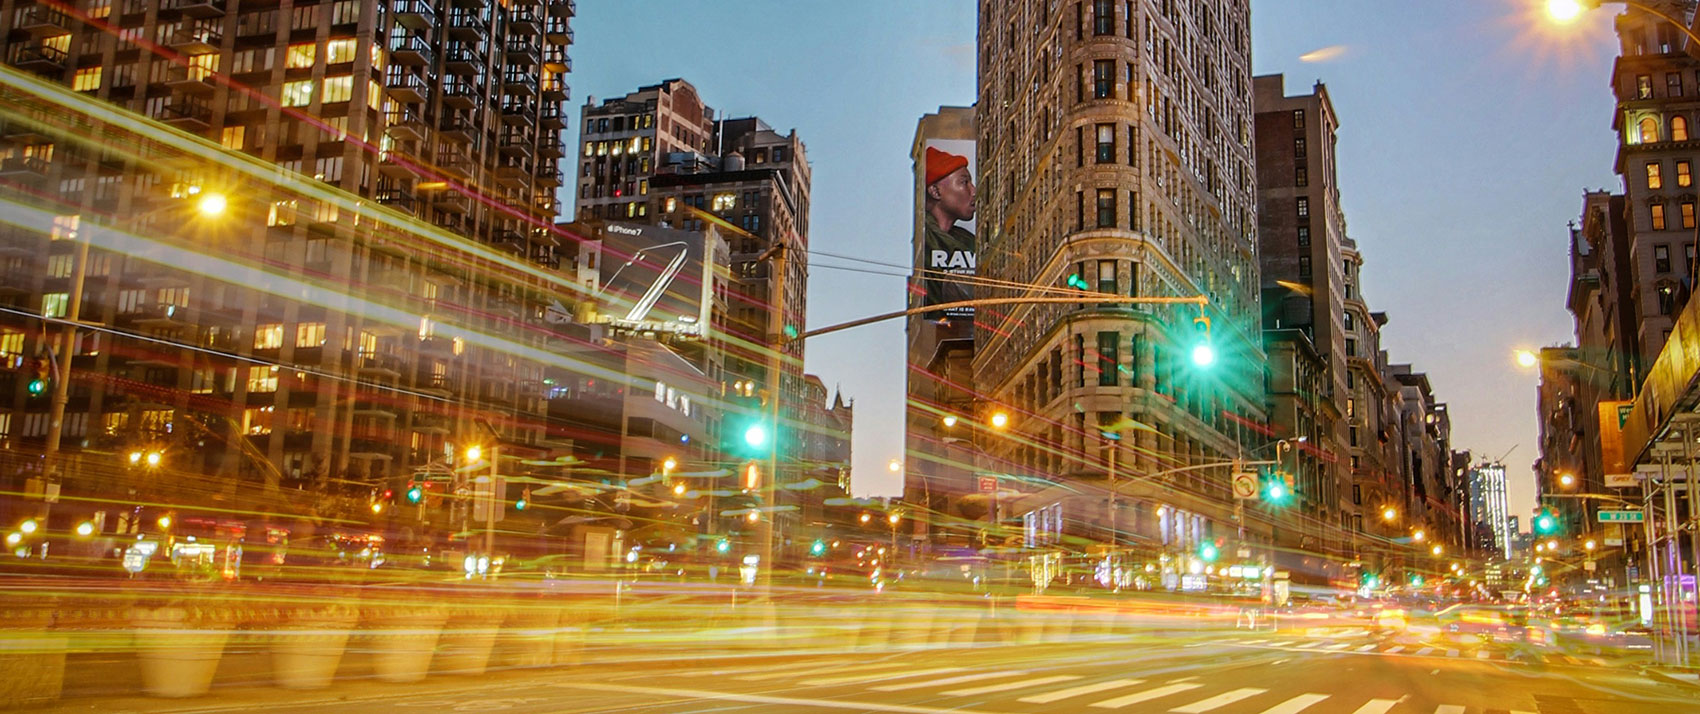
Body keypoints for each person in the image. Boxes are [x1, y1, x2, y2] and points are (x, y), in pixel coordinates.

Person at [923, 147, 976, 322]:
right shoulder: (926, 240)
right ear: (935, 192)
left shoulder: (968, 241)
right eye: (964, 183)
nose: (974, 191)